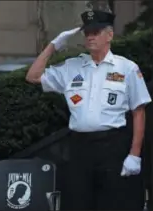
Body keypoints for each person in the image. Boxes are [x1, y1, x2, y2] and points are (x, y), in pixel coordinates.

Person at [26, 9, 152, 211]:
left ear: (109, 35)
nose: (91, 37)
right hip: (79, 146)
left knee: (113, 203)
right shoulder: (72, 67)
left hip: (113, 145)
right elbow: (32, 76)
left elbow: (139, 111)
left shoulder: (126, 68)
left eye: (96, 32)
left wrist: (135, 154)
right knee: (79, 201)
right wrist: (53, 46)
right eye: (87, 33)